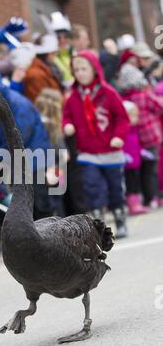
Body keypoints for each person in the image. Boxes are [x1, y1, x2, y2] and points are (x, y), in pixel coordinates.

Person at [0, 63, 54, 220]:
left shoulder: (17, 103)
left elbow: (19, 136)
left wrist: (0, 159)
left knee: (40, 205)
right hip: (15, 163)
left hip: (34, 159)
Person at [63, 50, 130, 239]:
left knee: (115, 188)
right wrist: (67, 125)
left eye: (84, 69)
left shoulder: (108, 93)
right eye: (76, 70)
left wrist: (119, 136)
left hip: (111, 151)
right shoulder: (74, 97)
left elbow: (122, 118)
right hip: (88, 153)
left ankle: (120, 218)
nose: (80, 73)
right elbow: (67, 115)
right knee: (92, 187)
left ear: (95, 70)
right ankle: (99, 226)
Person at [118, 63, 163, 208]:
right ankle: (154, 197)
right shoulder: (144, 95)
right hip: (150, 137)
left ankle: (143, 198)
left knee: (140, 170)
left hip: (134, 140)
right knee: (151, 170)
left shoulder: (123, 98)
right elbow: (158, 107)